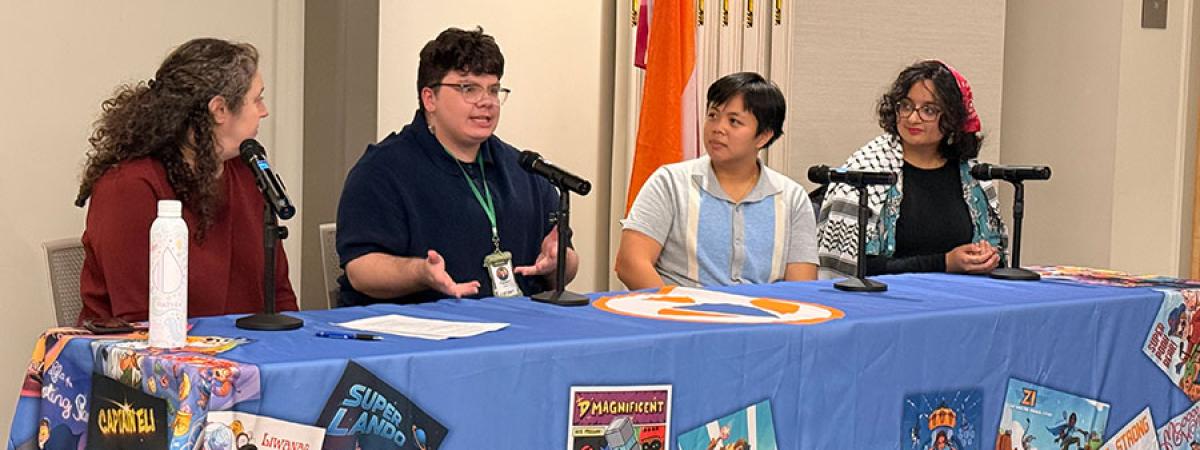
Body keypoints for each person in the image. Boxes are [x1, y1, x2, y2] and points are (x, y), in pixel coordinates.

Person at [336, 27, 578, 305]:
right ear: (430, 99)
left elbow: (566, 265)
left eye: (494, 89)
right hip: (423, 332)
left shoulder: (525, 169)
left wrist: (559, 262)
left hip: (518, 329)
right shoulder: (382, 171)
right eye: (468, 89)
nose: (486, 102)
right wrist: (420, 272)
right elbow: (361, 270)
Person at [74, 38, 297, 323]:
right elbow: (138, 316)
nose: (263, 111)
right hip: (149, 358)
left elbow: (278, 293)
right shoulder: (128, 186)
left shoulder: (247, 172)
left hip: (248, 354)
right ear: (219, 109)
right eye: (257, 99)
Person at [616, 72, 818, 289]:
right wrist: (678, 311)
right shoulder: (670, 182)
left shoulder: (791, 197)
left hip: (763, 318)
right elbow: (630, 263)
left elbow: (801, 287)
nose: (718, 128)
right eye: (713, 115)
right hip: (681, 315)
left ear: (763, 136)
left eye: (734, 121)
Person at [816, 60, 1006, 278]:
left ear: (952, 117)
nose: (913, 118)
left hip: (960, 299)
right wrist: (943, 263)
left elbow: (995, 248)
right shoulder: (866, 169)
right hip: (887, 303)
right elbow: (851, 267)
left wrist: (986, 256)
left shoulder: (971, 177)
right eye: (906, 106)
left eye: (928, 110)